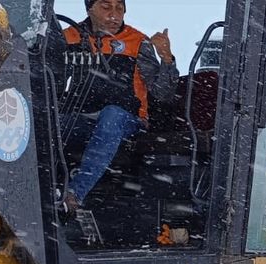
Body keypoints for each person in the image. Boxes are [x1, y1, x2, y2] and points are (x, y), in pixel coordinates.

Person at [61, 0, 179, 215]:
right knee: (48, 122)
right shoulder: (69, 37)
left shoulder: (137, 42)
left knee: (111, 115)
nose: (114, 15)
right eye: (106, 8)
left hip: (128, 120)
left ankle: (74, 195)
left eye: (119, 8)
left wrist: (167, 59)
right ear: (89, 9)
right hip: (82, 117)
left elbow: (163, 94)